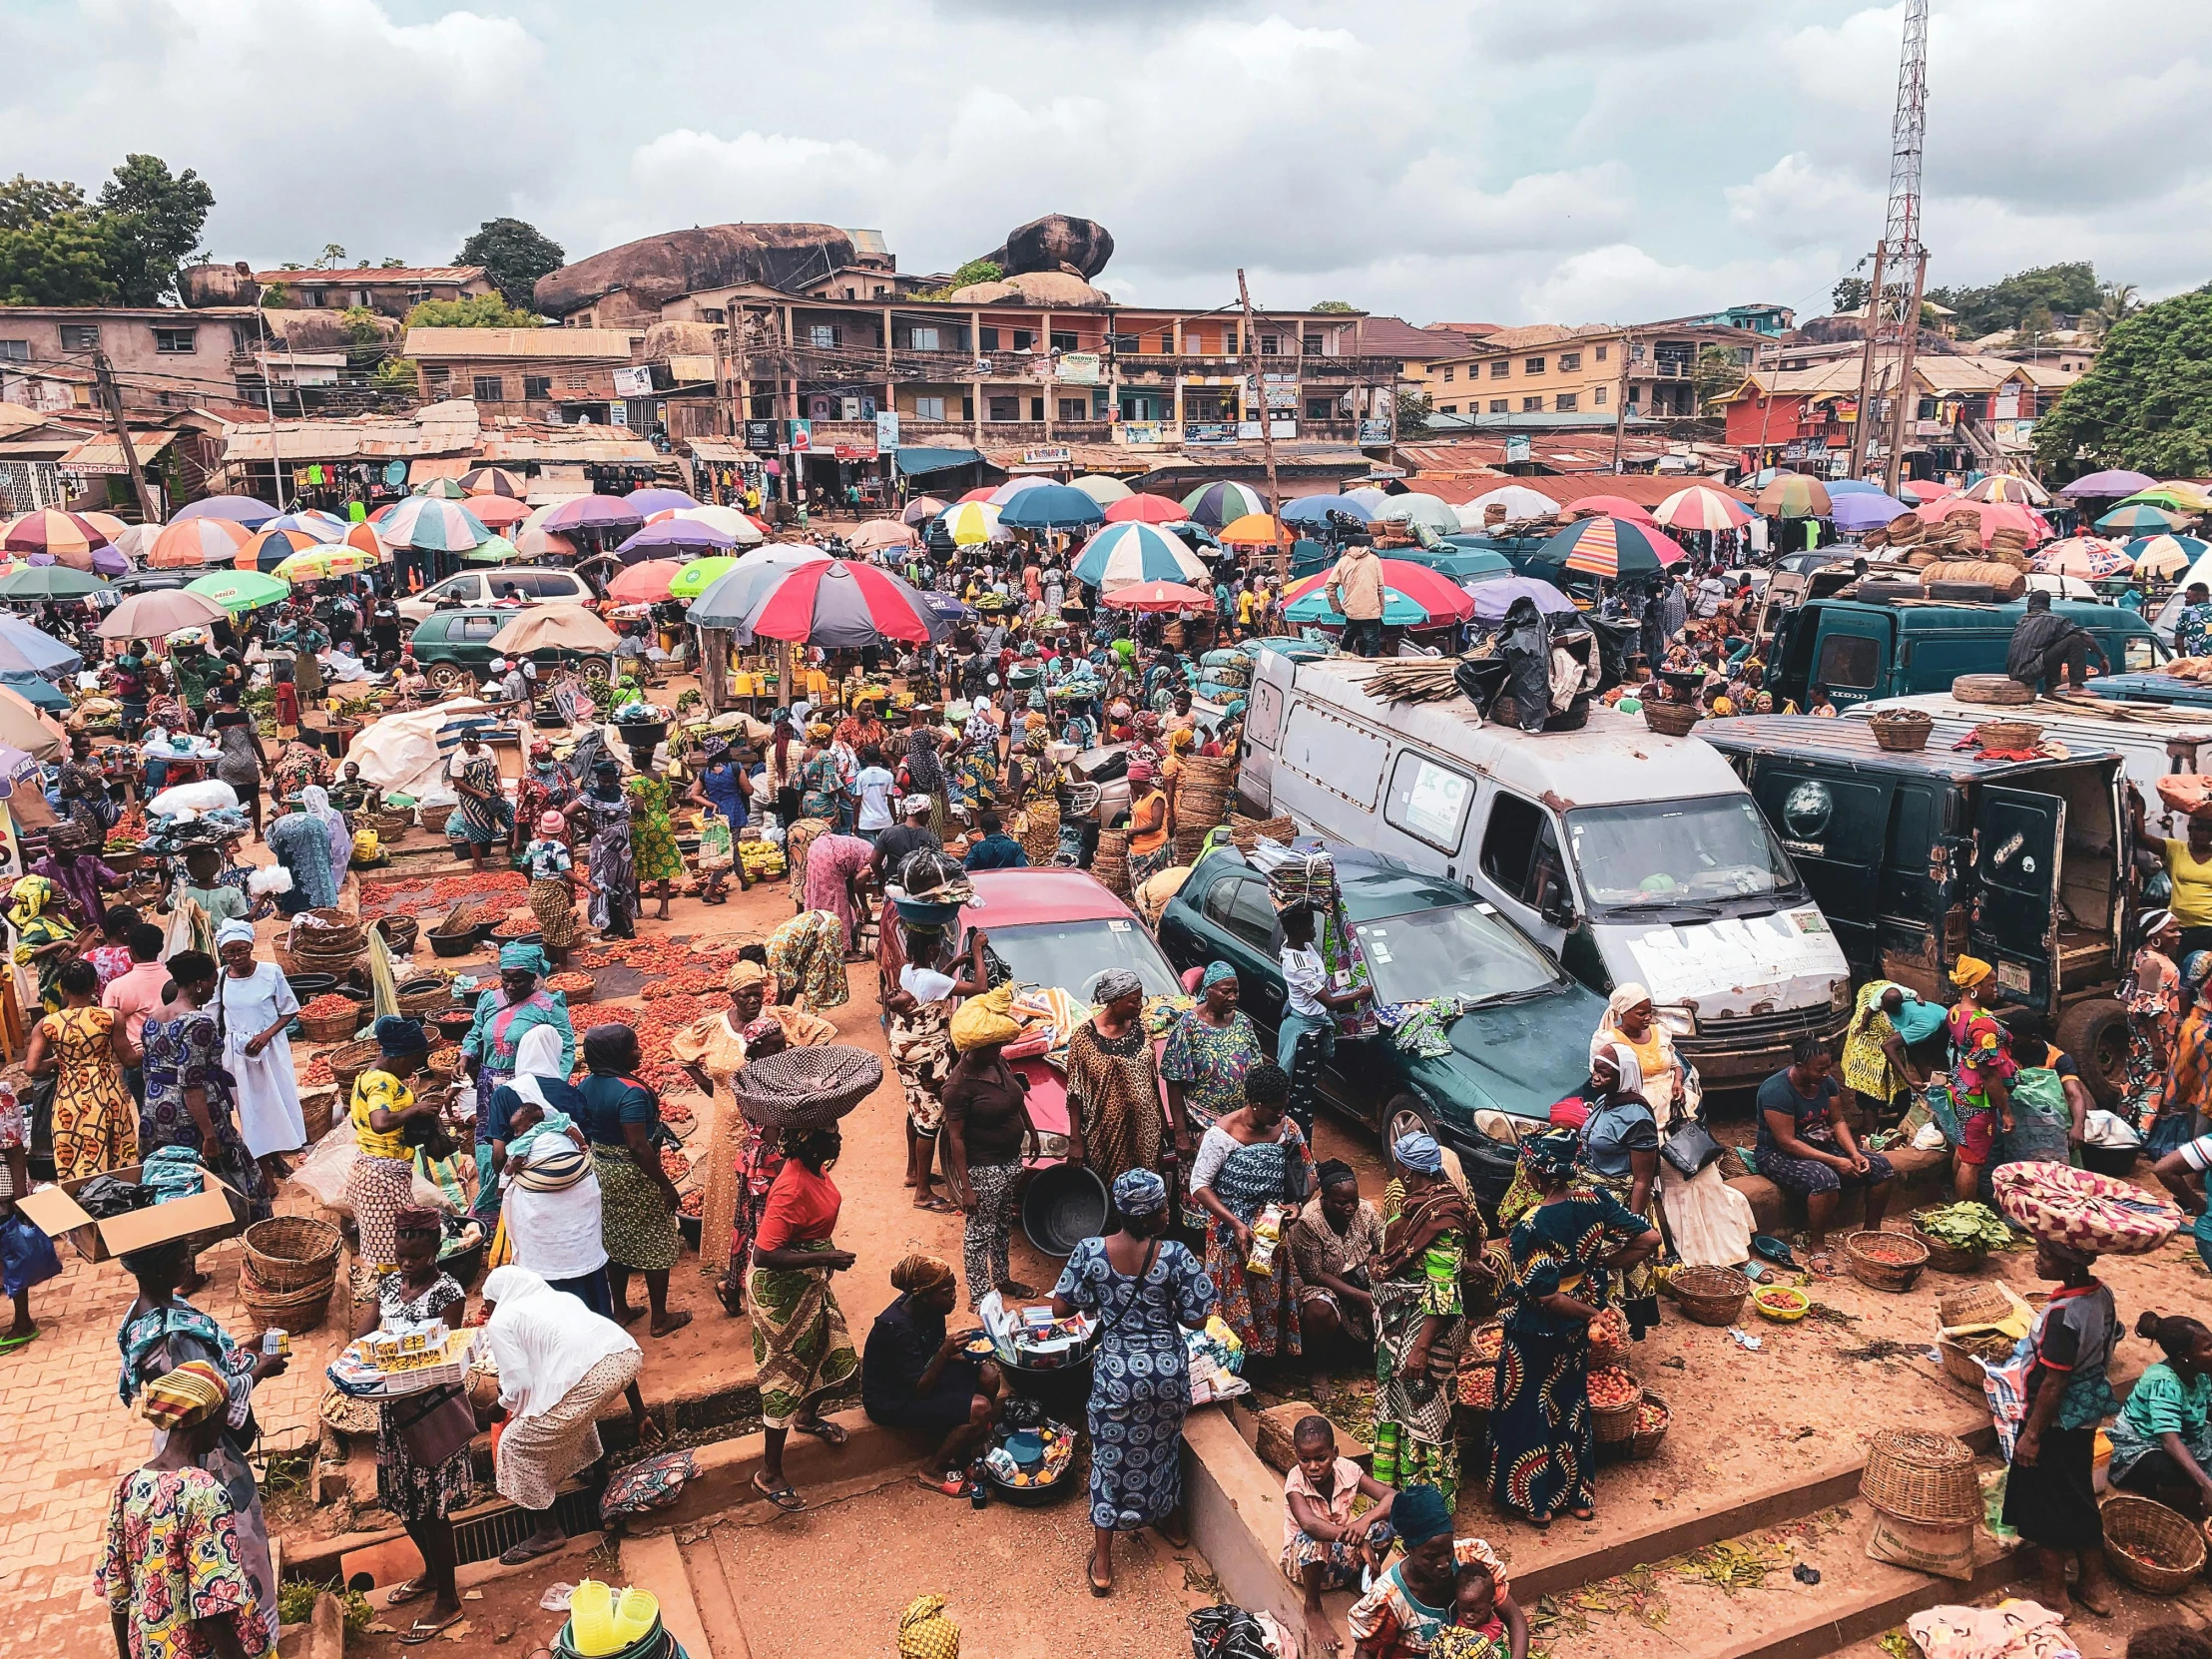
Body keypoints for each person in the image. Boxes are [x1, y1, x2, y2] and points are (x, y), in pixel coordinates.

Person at [1051, 1168, 1218, 1595]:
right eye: (1163, 1206)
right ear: (1150, 1216)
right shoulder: (1177, 1255)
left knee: (1111, 1460)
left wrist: (1103, 1299)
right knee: (1161, 1449)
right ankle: (1173, 1525)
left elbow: (1060, 1308)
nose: (1168, 1211)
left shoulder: (1090, 1251)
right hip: (1165, 1373)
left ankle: (1104, 1562)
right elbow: (1197, 1317)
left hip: (1117, 1376)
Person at [1485, 1129, 1660, 1526]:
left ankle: (1537, 1503)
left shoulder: (1531, 1226)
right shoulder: (1595, 1200)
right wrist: (1603, 1267)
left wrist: (1587, 1314)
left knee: (1527, 1408)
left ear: (1538, 1173)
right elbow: (1648, 1237)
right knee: (1569, 1404)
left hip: (1534, 1332)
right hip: (1573, 1333)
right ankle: (1578, 1497)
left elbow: (1545, 1296)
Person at [115, 1242, 285, 1635]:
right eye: (179, 1256)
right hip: (209, 1452)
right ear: (157, 1269)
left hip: (174, 1440)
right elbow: (206, 1392)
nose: (189, 1261)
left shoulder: (140, 1317)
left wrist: (242, 1349)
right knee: (238, 1545)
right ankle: (254, 1635)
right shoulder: (172, 1334)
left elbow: (203, 1370)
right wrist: (257, 1371)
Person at [98, 1360, 276, 1659]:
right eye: (222, 1416)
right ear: (208, 1419)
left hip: (149, 1647)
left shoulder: (128, 1486)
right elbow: (212, 1609)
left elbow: (117, 1589)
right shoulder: (204, 1494)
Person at [479, 1265, 657, 1565]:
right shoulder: (556, 1300)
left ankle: (547, 1531)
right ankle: (598, 1480)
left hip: (593, 1377)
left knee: (515, 1442)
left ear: (498, 1298)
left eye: (487, 1305)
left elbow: (517, 1386)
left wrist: (492, 1410)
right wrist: (640, 1414)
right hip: (626, 1358)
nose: (487, 1312)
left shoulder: (502, 1322)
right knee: (569, 1409)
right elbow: (601, 1350)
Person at [358, 1208, 472, 1641]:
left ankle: (449, 1599)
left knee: (433, 1507)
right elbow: (364, 1335)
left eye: (416, 1257)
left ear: (435, 1252)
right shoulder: (388, 1285)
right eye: (402, 1256)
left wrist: (390, 1355)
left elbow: (440, 1357)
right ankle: (430, 1572)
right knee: (403, 1501)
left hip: (430, 1412)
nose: (407, 1265)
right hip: (393, 1412)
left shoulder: (448, 1293)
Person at [2004, 1235, 2120, 1617]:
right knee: (2078, 1493)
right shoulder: (2101, 1297)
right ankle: (2094, 1584)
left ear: (2070, 1265)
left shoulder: (2063, 1314)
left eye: (2046, 1256)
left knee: (2045, 1500)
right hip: (2084, 1415)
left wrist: (2033, 1435)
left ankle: (2055, 1594)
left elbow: (2054, 1382)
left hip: (2053, 1417)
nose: (2037, 1261)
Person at [749, 1124, 860, 1511]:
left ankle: (808, 1416)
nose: (839, 1140)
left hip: (809, 1282)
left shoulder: (816, 1168)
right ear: (808, 1144)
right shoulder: (791, 1185)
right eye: (831, 1135)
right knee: (783, 1378)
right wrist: (826, 1256)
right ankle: (770, 1474)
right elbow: (764, 1255)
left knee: (831, 1348)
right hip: (782, 1294)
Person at [138, 949, 268, 1262]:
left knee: (177, 1184)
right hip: (193, 1115)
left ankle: (183, 1267)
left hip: (156, 1110)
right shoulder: (198, 1023)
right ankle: (263, 1250)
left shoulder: (153, 1020)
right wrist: (209, 1135)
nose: (213, 987)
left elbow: (148, 1070)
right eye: (211, 980)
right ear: (198, 983)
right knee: (246, 1181)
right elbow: (191, 1084)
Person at [1369, 1133, 1473, 1504]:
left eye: (1398, 1163)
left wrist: (1421, 1349)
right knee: (1394, 1405)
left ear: (1409, 1171)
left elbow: (1443, 1292)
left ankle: (1426, 1506)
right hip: (1396, 1326)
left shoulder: (1442, 1216)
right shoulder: (1417, 1202)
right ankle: (1391, 1493)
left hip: (1424, 1332)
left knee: (1425, 1411)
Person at [1190, 1060, 1311, 1360]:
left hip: (1271, 1226)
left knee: (1266, 1293)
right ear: (1254, 1103)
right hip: (1230, 1230)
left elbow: (1308, 1171)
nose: (1281, 1113)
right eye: (1274, 1108)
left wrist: (1297, 1204)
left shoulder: (1288, 1129)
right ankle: (1231, 1363)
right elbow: (1199, 1185)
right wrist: (1235, 1224)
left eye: (1284, 1106)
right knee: (1232, 1299)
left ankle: (1266, 1359)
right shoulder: (1222, 1134)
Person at [576, 1024, 690, 1338]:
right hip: (633, 1174)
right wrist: (666, 1186)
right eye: (633, 1048)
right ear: (616, 1054)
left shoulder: (586, 1085)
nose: (639, 1052)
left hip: (602, 1169)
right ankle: (660, 1318)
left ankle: (621, 1309)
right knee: (655, 1237)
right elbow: (638, 1146)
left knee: (614, 1238)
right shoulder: (632, 1092)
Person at [490, 1025, 610, 1317]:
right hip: (577, 1187)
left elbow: (497, 1153)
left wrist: (510, 1173)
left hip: (534, 1193)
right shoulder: (571, 1092)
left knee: (543, 1259)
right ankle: (596, 1323)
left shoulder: (505, 1094)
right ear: (554, 1054)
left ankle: (557, 1330)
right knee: (581, 1248)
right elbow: (586, 1142)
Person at [861, 1253, 1005, 1494]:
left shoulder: (932, 1308)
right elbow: (920, 1386)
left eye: (953, 1288)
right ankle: (931, 1470)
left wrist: (969, 1354)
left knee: (989, 1376)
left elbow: (934, 1349)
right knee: (979, 1408)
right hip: (893, 1398)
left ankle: (965, 1446)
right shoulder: (896, 1327)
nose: (954, 1296)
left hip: (922, 1374)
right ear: (925, 1296)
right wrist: (945, 1352)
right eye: (946, 1292)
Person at [940, 986, 1039, 1306]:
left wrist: (1032, 1131)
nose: (1000, 1048)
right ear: (976, 1047)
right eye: (994, 1045)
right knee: (979, 1232)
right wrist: (966, 1188)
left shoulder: (998, 1063)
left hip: (1010, 1159)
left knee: (1001, 1225)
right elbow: (956, 1138)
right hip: (984, 1167)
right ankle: (980, 1295)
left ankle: (1002, 1279)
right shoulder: (958, 1086)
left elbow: (1016, 1096)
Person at [1754, 1038, 1895, 1261]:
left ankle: (1871, 1230)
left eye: (1829, 1067)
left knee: (1881, 1167)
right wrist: (1836, 1161)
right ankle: (1817, 1243)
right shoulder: (1776, 1091)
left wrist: (1854, 1153)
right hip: (1776, 1153)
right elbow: (1787, 1142)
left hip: (1820, 1143)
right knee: (1825, 1179)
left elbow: (1837, 1121)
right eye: (1820, 1069)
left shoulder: (1825, 1084)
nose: (1827, 1073)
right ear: (1800, 1067)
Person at [1345, 1485, 1518, 1659]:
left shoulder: (1472, 1558)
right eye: (1431, 1557)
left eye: (1447, 1551)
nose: (1443, 1563)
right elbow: (1366, 1650)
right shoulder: (1391, 1598)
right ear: (1408, 1550)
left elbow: (1514, 1617)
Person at [461, 943, 576, 1206]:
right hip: (490, 1087)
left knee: (523, 1145)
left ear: (534, 977)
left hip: (527, 1089)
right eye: (506, 980)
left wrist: (553, 1088)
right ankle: (492, 1204)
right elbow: (476, 1032)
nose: (511, 987)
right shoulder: (490, 1000)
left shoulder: (548, 1005)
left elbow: (566, 1047)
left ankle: (522, 1201)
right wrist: (465, 1055)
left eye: (519, 981)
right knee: (490, 1143)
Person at [1282, 1414, 1399, 1656]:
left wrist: (1365, 1522)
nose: (1312, 1467)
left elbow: (1393, 1497)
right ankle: (1313, 1607)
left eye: (1321, 1458)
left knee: (1392, 1517)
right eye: (1305, 1459)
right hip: (1304, 1566)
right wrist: (1357, 1539)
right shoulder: (1296, 1481)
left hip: (1341, 1564)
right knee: (1311, 1536)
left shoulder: (1348, 1470)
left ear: (1334, 1453)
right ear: (1297, 1457)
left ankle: (1362, 1582)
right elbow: (1309, 1524)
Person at [344, 1017, 440, 1291]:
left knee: (392, 1244)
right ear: (399, 1056)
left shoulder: (365, 1077)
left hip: (375, 1170)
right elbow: (380, 1122)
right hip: (380, 1179)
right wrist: (415, 1110)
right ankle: (394, 1301)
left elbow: (358, 1122)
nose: (413, 1070)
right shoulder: (382, 1083)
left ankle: (395, 1296)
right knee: (395, 1251)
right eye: (412, 1062)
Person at [1576, 1044, 1662, 1337]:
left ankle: (1614, 1330)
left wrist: (1631, 1226)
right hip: (1593, 1197)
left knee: (1611, 1267)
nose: (1595, 1076)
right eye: (1595, 1068)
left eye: (1604, 1072)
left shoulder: (1637, 1118)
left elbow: (1642, 1179)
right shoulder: (1606, 1102)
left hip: (1619, 1202)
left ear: (1623, 1076)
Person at [28, 956, 138, 1180]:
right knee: (115, 1150)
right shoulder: (109, 1018)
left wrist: (59, 1062)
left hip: (70, 1096)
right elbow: (129, 1060)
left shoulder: (47, 1024)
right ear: (94, 985)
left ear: (63, 987)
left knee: (74, 1152)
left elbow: (32, 1068)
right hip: (106, 1092)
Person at [214, 918, 305, 1186]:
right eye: (230, 952)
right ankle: (264, 1163)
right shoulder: (220, 979)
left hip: (270, 1048)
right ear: (223, 953)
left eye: (242, 950)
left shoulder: (270, 972)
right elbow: (214, 1015)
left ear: (251, 946)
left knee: (276, 1102)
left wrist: (266, 1035)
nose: (237, 957)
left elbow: (289, 1009)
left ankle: (276, 1157)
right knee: (251, 1108)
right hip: (238, 1054)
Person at [1064, 967, 1168, 1195]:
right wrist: (1076, 1140)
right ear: (1114, 1000)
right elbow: (1075, 1093)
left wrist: (1161, 1124)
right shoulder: (1084, 1038)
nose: (1140, 1006)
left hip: (1146, 1130)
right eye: (1133, 1001)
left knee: (1146, 1189)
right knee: (1112, 1190)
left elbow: (1152, 1079)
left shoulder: (1142, 1028)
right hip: (1106, 1134)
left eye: (1141, 999)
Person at [1278, 905, 1370, 1139]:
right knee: (1301, 1099)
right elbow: (1329, 1002)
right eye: (1310, 925)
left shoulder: (1305, 948)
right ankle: (1300, 1150)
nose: (1314, 930)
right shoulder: (1295, 965)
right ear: (1297, 929)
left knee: (1308, 1093)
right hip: (1303, 1036)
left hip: (1315, 1027)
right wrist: (1360, 994)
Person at [2108, 1313, 2212, 1515]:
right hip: (2142, 1443)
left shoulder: (2202, 1372)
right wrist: (2205, 1484)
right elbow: (2169, 1441)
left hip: (2189, 1435)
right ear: (2184, 1355)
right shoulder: (2164, 1382)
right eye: (2207, 1349)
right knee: (2178, 1475)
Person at [1160, 961, 1267, 1155]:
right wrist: (1181, 1133)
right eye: (1226, 991)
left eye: (1236, 991)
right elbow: (1173, 1080)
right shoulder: (1189, 1026)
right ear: (1208, 990)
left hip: (1238, 1123)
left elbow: (1257, 1072)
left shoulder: (1243, 1023)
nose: (1232, 997)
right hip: (1201, 1123)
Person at [1290, 1160, 1385, 1353]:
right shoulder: (1308, 1223)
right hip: (1320, 1286)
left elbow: (1385, 1243)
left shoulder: (1366, 1211)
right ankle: (1316, 1365)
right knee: (1319, 1309)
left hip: (1362, 1278)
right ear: (1324, 1199)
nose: (1350, 1208)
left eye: (1354, 1201)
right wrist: (1360, 1296)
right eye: (1342, 1203)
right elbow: (1314, 1275)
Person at [1946, 965, 2017, 1201]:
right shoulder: (1983, 1025)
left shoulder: (1955, 1012)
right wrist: (2005, 1110)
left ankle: (1957, 1204)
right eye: (1991, 985)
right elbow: (1988, 1074)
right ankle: (1965, 1212)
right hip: (1978, 1095)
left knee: (1964, 1147)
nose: (1997, 990)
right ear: (1975, 988)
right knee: (1973, 1162)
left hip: (1961, 1086)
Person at [1840, 979, 1932, 1127]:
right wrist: (1913, 1080)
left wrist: (1929, 1083)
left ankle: (1903, 1127)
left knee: (1901, 1093)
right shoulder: (1875, 1011)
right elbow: (1895, 1047)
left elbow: (1914, 1049)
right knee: (1871, 1096)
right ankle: (1870, 1139)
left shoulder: (1909, 1004)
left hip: (1890, 1045)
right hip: (1868, 1047)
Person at [2124, 911, 2186, 1129]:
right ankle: (2136, 1136)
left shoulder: (2150, 955)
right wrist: (2158, 1047)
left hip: (2158, 1036)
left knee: (2141, 1084)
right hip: (2152, 1038)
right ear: (2154, 934)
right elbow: (2145, 1008)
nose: (2178, 935)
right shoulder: (2152, 962)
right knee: (2146, 1087)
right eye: (2172, 930)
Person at [570, 762, 638, 940]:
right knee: (602, 882)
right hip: (603, 846)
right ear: (598, 779)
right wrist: (591, 826)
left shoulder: (619, 792)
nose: (607, 784)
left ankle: (623, 923)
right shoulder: (590, 796)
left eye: (610, 781)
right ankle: (605, 928)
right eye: (604, 781)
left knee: (623, 881)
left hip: (622, 847)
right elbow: (567, 811)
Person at [2006, 589, 2109, 693]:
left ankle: (2051, 688)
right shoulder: (2055, 619)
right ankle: (2076, 685)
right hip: (2029, 670)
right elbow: (2086, 636)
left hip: (2014, 672)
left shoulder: (2022, 619)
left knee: (2055, 641)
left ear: (2031, 603)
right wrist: (2102, 657)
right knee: (2075, 639)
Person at [8, 874, 79, 1013]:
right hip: (58, 995)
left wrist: (78, 915)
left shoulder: (60, 918)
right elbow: (20, 955)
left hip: (73, 988)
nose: (64, 891)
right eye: (59, 889)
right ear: (47, 897)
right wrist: (61, 944)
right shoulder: (37, 926)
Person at [804, 830, 876, 957]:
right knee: (837, 902)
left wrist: (856, 907)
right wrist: (865, 907)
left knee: (821, 897)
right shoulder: (879, 862)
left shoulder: (870, 850)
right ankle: (843, 951)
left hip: (817, 847)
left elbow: (849, 882)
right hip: (829, 855)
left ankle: (820, 941)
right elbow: (859, 880)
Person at [625, 769, 686, 922]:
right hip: (662, 825)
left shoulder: (638, 781)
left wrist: (629, 804)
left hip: (644, 826)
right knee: (663, 866)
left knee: (637, 866)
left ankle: (637, 909)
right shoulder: (664, 778)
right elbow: (671, 803)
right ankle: (664, 910)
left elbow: (639, 807)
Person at [208, 686, 268, 842]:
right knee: (254, 797)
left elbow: (207, 740)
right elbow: (256, 742)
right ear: (237, 699)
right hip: (248, 763)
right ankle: (258, 834)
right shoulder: (247, 717)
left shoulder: (213, 720)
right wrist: (265, 763)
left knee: (228, 801)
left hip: (225, 765)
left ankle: (234, 841)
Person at [766, 907, 850, 1013]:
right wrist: (776, 1006)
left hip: (828, 927)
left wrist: (780, 1013)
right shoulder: (768, 945)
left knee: (816, 978)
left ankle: (809, 1019)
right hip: (821, 919)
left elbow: (791, 986)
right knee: (811, 976)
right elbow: (784, 981)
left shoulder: (774, 961)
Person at [449, 732, 511, 873]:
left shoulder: (487, 750)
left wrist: (499, 786)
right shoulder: (458, 758)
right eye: (466, 747)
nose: (469, 750)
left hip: (490, 793)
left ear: (478, 743)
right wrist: (479, 794)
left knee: (510, 817)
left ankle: (509, 850)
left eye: (472, 747)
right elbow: (458, 783)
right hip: (471, 799)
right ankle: (480, 866)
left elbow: (495, 769)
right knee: (476, 831)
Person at [1328, 540, 1386, 658]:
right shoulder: (1374, 560)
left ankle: (1343, 663)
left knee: (1348, 638)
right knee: (1372, 643)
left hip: (1351, 610)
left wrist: (1337, 607)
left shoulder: (1343, 561)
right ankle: (1371, 670)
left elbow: (1329, 586)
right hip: (1371, 610)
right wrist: (1381, 608)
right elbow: (1380, 587)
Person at [1124, 763, 1172, 888]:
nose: (1131, 788)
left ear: (1138, 782)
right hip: (1138, 850)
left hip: (1153, 850)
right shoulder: (1141, 798)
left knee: (1151, 890)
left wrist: (1132, 832)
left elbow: (1156, 824)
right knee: (1140, 892)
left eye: (1132, 783)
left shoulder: (1156, 797)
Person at [960, 809, 1027, 870]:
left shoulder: (977, 848)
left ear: (984, 831)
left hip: (985, 882)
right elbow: (1022, 870)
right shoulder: (1015, 847)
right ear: (1001, 826)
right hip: (1009, 882)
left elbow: (965, 867)